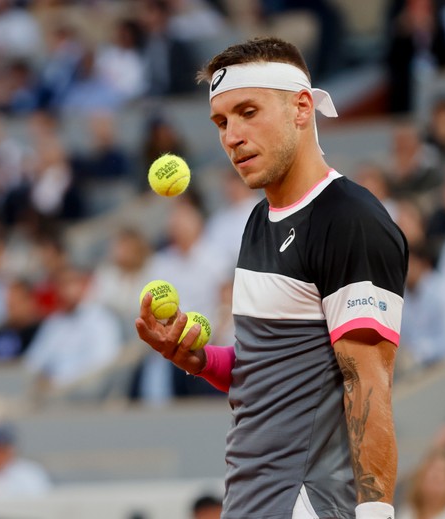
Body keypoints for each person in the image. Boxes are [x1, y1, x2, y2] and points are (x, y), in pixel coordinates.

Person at [136, 38, 408, 518]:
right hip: (252, 500)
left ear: (302, 108)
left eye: (247, 111)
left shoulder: (349, 219)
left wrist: (376, 514)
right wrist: (201, 360)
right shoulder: (259, 222)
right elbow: (270, 370)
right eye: (221, 122)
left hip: (308, 504)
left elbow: (368, 380)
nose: (231, 136)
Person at [25, 266, 121, 389]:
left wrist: (59, 383)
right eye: (60, 284)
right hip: (49, 396)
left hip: (85, 397)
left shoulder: (102, 320)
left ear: (85, 285)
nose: (65, 290)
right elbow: (33, 363)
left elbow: (103, 366)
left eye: (71, 283)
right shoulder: (53, 322)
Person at [399, 246, 445, 371]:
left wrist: (419, 352)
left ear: (424, 264)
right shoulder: (401, 296)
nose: (402, 270)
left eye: (407, 264)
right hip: (417, 369)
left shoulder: (443, 290)